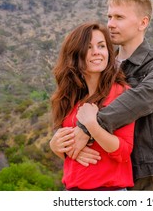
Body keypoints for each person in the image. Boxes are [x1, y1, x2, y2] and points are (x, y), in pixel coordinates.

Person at [71, 0, 153, 190]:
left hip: (143, 171)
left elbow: (141, 99)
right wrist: (60, 140)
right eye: (109, 17)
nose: (110, 24)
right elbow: (73, 104)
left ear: (143, 22)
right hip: (103, 170)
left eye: (119, 17)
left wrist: (88, 127)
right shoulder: (101, 63)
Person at [49, 22, 135, 191]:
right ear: (75, 54)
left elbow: (124, 151)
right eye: (88, 47)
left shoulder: (121, 93)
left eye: (101, 46)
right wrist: (55, 146)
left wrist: (92, 126)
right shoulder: (70, 98)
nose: (96, 52)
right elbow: (70, 153)